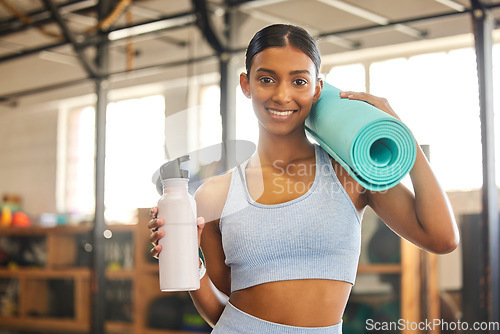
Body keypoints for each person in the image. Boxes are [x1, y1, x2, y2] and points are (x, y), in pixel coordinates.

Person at [148, 23, 459, 333]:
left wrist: (404, 136)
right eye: (266, 79)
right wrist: (190, 263)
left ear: (317, 88)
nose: (282, 95)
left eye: (298, 81)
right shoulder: (215, 194)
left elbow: (442, 238)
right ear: (246, 84)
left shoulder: (351, 174)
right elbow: (224, 309)